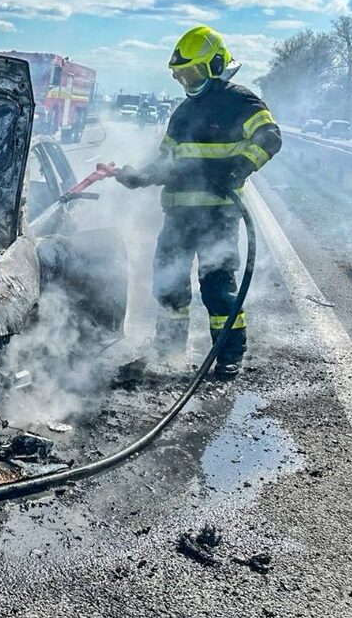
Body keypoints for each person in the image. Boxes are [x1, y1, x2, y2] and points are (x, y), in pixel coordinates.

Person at [115, 25, 283, 379]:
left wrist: (238, 171)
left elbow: (270, 137)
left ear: (216, 64)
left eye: (191, 72)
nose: (185, 82)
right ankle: (168, 352)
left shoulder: (241, 102)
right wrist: (139, 176)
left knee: (218, 288)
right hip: (178, 216)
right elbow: (167, 162)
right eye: (180, 75)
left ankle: (227, 358)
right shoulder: (183, 113)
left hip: (218, 216)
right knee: (169, 284)